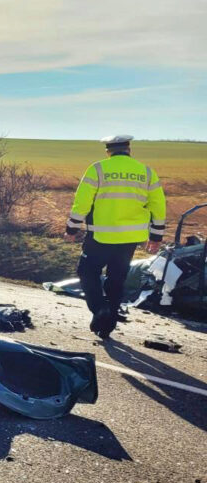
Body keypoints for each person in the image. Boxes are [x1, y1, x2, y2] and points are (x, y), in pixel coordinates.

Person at [64, 134, 166, 339]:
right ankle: (107, 325)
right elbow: (158, 205)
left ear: (108, 151)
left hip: (101, 236)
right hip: (130, 239)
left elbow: (82, 202)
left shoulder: (98, 169)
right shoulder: (146, 172)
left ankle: (100, 308)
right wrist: (156, 236)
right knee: (116, 279)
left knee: (87, 272)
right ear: (129, 150)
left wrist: (72, 228)